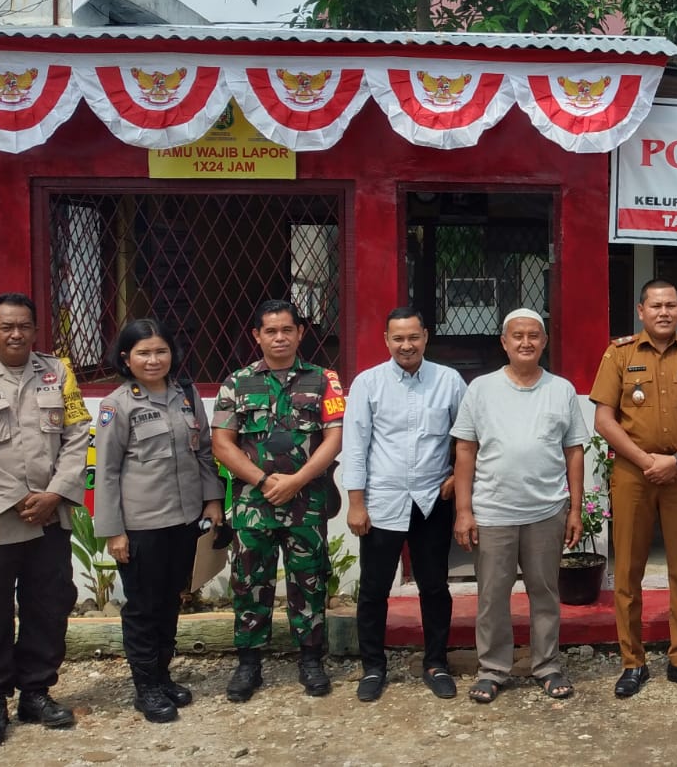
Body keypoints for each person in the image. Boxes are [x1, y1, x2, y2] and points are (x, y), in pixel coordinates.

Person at [0, 293, 91, 748]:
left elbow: (77, 434)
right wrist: (15, 499)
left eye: (24, 326)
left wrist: (54, 494)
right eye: (6, 327)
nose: (16, 334)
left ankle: (35, 693)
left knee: (48, 606)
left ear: (35, 330)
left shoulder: (57, 373)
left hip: (49, 515)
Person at [591, 279, 677, 697]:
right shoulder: (619, 354)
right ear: (641, 311)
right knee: (628, 569)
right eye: (655, 305)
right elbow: (604, 420)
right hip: (634, 473)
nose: (664, 312)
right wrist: (646, 460)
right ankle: (632, 662)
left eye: (671, 305)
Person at [211, 299, 345, 702]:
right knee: (250, 584)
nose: (280, 337)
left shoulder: (325, 380)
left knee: (310, 581)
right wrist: (265, 480)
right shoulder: (236, 383)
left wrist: (299, 480)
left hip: (307, 504)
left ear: (300, 333)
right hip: (254, 506)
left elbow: (334, 437)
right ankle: (249, 663)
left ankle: (311, 660)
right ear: (257, 336)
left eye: (287, 329)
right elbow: (222, 444)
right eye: (270, 331)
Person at [92, 319, 224, 722]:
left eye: (160, 351)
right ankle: (145, 687)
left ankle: (163, 676)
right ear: (126, 358)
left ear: (172, 353)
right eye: (143, 353)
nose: (153, 360)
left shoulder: (186, 395)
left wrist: (213, 501)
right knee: (143, 607)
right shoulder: (117, 405)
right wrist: (114, 531)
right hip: (141, 525)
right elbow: (106, 472)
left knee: (170, 601)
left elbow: (203, 452)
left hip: (184, 520)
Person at [454, 309, 586, 704]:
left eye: (533, 336)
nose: (525, 342)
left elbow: (574, 451)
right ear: (504, 342)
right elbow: (465, 450)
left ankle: (547, 665)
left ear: (544, 342)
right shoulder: (481, 389)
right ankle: (492, 669)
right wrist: (464, 511)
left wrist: (575, 510)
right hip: (493, 511)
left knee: (544, 592)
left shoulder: (561, 389)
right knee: (492, 596)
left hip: (546, 510)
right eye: (518, 336)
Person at [341, 307, 464, 702]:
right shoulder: (368, 383)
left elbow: (467, 437)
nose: (406, 345)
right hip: (382, 501)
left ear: (425, 336)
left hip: (432, 499)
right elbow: (355, 446)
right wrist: (356, 503)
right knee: (374, 589)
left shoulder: (448, 380)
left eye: (413, 337)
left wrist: (456, 478)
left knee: (434, 586)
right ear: (386, 340)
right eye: (398, 338)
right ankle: (373, 668)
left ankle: (436, 663)